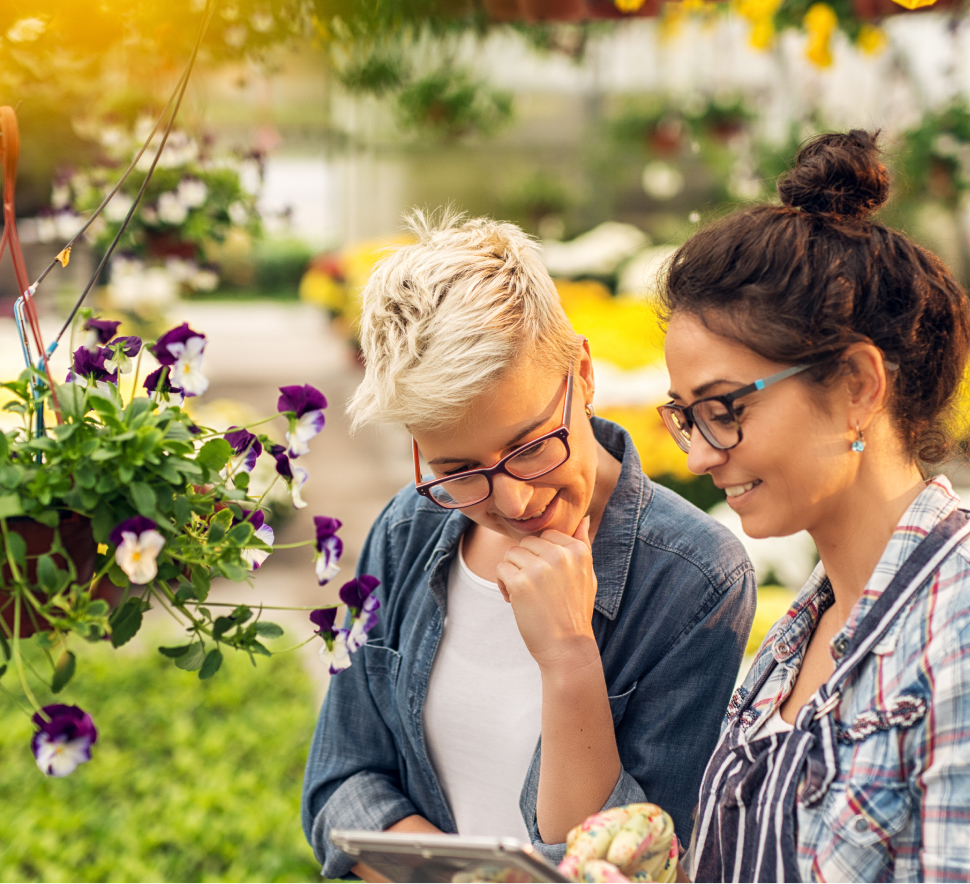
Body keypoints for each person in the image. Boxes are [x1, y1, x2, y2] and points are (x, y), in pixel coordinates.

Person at [658, 131, 970, 882]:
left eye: (724, 407)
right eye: (684, 414)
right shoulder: (805, 630)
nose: (699, 455)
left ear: (858, 388)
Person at [301, 212, 756, 880]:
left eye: (530, 445)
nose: (513, 501)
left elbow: (629, 866)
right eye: (459, 469)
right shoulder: (408, 529)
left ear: (583, 371)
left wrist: (570, 657)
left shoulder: (693, 580)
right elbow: (341, 782)